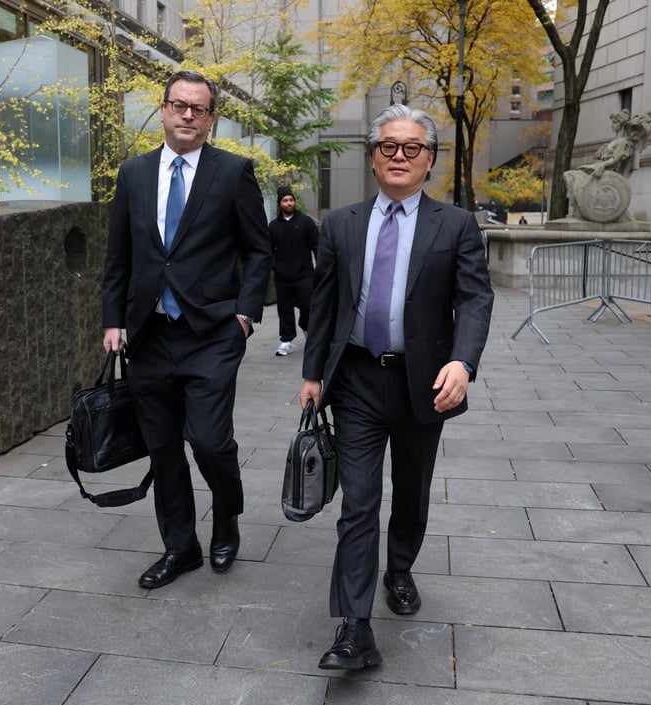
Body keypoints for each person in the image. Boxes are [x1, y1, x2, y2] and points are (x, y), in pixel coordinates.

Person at [298, 105, 494, 670]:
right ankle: (354, 628)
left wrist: (464, 362)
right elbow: (325, 304)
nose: (399, 156)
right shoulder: (340, 223)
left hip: (424, 383)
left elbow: (476, 298)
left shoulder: (454, 225)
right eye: (389, 146)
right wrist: (313, 375)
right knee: (358, 503)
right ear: (373, 155)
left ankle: (400, 567)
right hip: (356, 380)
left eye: (412, 148)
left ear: (429, 159)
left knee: (410, 492)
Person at [102, 69, 272, 589]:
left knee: (210, 440)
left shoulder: (233, 172)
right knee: (164, 449)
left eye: (198, 109)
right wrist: (113, 319)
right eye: (179, 105)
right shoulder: (133, 174)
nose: (188, 115)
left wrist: (245, 316)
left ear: (211, 118)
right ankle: (180, 548)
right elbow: (119, 256)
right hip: (148, 336)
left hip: (212, 333)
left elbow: (258, 249)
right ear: (163, 109)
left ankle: (227, 517)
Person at [269, 186, 319, 356]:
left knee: (308, 305)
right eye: (285, 200)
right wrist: (275, 266)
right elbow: (268, 251)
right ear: (280, 203)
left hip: (305, 275)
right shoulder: (273, 226)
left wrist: (321, 267)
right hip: (282, 277)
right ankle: (286, 340)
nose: (289, 203)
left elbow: (317, 246)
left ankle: (306, 327)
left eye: (291, 200)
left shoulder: (306, 222)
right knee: (284, 309)